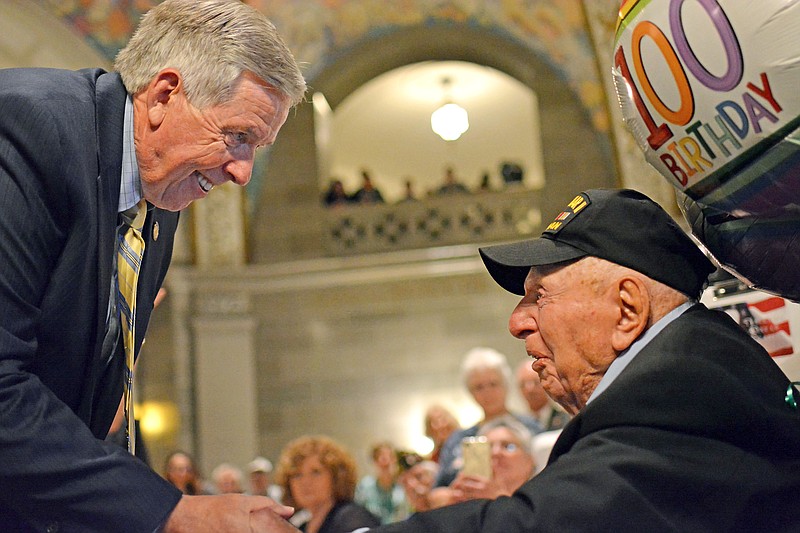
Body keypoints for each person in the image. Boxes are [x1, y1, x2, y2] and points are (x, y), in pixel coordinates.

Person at [0, 0, 306, 530]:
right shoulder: (26, 130)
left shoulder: (160, 199)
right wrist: (174, 512)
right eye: (239, 136)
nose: (242, 172)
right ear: (164, 95)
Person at [356, 188, 800, 532]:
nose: (516, 323)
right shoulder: (689, 364)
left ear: (627, 309)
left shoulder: (682, 388)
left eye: (538, 296)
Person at [434, 347, 542, 489]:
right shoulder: (459, 440)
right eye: (479, 387)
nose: (487, 392)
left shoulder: (532, 428)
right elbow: (440, 488)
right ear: (470, 392)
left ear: (506, 384)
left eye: (493, 384)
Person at [275, 435, 381, 533]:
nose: (305, 481)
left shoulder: (353, 518)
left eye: (316, 472)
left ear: (337, 477)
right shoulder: (300, 526)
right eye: (297, 475)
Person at [428, 416, 536, 509]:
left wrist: (499, 499)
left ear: (530, 461)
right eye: (488, 447)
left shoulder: (541, 499)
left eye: (508, 446)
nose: (495, 452)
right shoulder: (468, 501)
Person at [355, 442, 410, 524]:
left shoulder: (405, 486)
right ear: (375, 461)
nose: (386, 461)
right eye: (381, 458)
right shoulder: (365, 487)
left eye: (390, 457)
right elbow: (358, 514)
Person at [515, 359, 571, 431]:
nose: (530, 390)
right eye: (523, 384)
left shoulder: (565, 417)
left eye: (536, 382)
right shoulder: (518, 425)